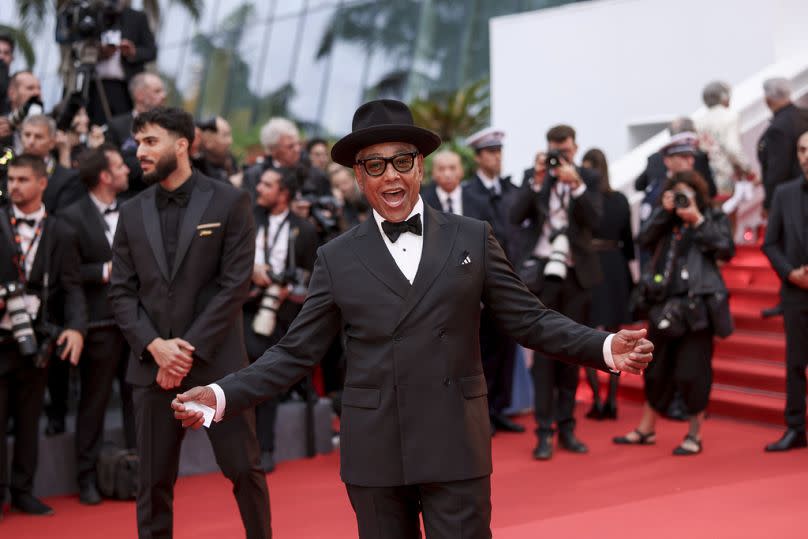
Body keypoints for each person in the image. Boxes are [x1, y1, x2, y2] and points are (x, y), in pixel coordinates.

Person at [172, 99, 654, 538]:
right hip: (376, 449)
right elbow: (295, 352)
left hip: (454, 442)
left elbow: (529, 318)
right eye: (375, 166)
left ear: (420, 166)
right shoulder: (336, 257)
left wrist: (606, 346)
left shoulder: (472, 236)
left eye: (402, 161)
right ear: (359, 178)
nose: (391, 177)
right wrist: (220, 394)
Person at [107, 107, 270, 538]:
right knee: (152, 483)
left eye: (150, 141)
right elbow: (120, 291)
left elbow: (235, 285)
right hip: (152, 368)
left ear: (182, 144)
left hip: (218, 366)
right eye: (138, 143)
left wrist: (184, 349)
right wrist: (155, 347)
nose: (140, 152)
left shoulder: (229, 200)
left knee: (243, 471)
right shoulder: (131, 211)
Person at [614, 170, 734, 455]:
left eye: (686, 194)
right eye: (676, 194)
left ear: (698, 195)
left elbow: (726, 250)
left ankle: (694, 434)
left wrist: (697, 219)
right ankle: (646, 429)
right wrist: (662, 211)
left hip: (697, 307)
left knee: (693, 373)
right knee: (654, 370)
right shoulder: (666, 221)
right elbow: (643, 239)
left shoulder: (712, 217)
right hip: (662, 305)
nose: (681, 200)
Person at [509, 125, 603, 459]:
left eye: (564, 149)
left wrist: (575, 184)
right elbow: (514, 215)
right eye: (553, 149)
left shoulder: (588, 178)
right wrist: (537, 180)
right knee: (545, 355)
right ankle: (544, 431)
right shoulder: (536, 176)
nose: (558, 155)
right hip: (542, 274)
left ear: (575, 148)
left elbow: (596, 218)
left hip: (576, 274)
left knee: (573, 353)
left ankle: (567, 427)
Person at [0, 154, 86, 517]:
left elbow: (73, 287)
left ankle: (23, 490)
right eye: (11, 179)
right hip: (0, 339)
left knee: (29, 419)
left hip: (37, 341)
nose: (14, 186)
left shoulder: (61, 231)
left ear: (42, 184)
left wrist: (77, 328)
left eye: (22, 179)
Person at [59, 144, 136, 504]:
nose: (127, 170)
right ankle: (86, 477)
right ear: (105, 176)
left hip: (138, 325)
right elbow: (67, 275)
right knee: (94, 403)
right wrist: (106, 271)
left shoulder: (134, 209)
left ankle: (143, 472)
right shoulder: (71, 217)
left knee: (139, 399)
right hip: (99, 325)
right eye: (120, 166)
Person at [244, 167, 318, 472]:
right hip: (244, 306)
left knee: (265, 372)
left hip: (282, 312)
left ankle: (266, 448)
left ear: (283, 193)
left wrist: (288, 288)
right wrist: (252, 271)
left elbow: (311, 277)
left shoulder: (305, 229)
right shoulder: (248, 219)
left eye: (267, 184)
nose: (259, 188)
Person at [462, 127, 523, 435]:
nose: (496, 157)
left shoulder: (511, 190)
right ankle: (481, 413)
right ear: (478, 157)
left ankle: (500, 409)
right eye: (490, 152)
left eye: (499, 151)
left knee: (507, 349)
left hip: (510, 281)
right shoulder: (467, 193)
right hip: (482, 284)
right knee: (483, 353)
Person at [762, 130, 808, 452]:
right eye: (802, 149)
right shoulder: (784, 192)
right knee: (795, 363)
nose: (806, 155)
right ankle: (795, 428)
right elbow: (770, 242)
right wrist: (790, 273)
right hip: (795, 293)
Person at [581, 148, 634, 421]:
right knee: (615, 336)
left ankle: (598, 399)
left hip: (591, 267)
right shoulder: (620, 200)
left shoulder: (584, 201)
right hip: (615, 267)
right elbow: (629, 243)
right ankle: (610, 399)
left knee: (589, 334)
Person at [85, 1, 157, 125]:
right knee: (96, 125)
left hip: (125, 87)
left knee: (125, 125)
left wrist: (132, 52)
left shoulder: (137, 17)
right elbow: (80, 48)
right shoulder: (92, 15)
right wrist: (99, 53)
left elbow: (151, 51)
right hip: (96, 85)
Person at [105, 72, 167, 198]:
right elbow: (115, 164)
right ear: (139, 95)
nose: (163, 96)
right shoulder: (117, 126)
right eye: (157, 91)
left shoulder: (169, 126)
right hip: (127, 198)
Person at [757, 77, 808, 212]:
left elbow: (778, 170)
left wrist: (769, 204)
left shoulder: (777, 129)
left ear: (767, 100)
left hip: (793, 199)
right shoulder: (805, 115)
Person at [696, 81, 754, 196]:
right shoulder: (729, 115)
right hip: (727, 176)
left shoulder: (699, 123)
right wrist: (747, 168)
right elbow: (732, 148)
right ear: (724, 97)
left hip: (708, 178)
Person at [19, 114, 84, 215]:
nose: (31, 141)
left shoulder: (69, 179)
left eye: (38, 137)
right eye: (27, 135)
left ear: (52, 142)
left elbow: (66, 220)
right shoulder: (7, 171)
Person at [421, 149, 481, 217]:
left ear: (462, 171)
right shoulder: (423, 203)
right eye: (441, 169)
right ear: (433, 173)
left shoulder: (478, 201)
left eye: (452, 168)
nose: (447, 174)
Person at [195, 116, 237, 182]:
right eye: (225, 135)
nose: (230, 141)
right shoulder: (197, 165)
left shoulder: (229, 159)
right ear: (208, 140)